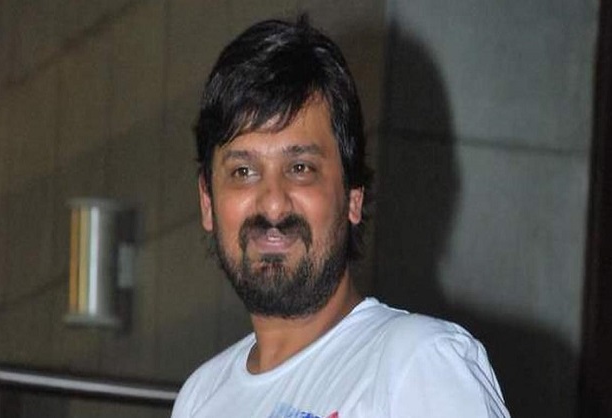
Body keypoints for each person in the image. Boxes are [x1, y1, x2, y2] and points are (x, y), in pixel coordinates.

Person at [172, 16, 510, 418]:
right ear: (207, 201)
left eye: (300, 168)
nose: (273, 205)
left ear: (353, 195)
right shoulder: (202, 397)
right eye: (243, 172)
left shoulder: (416, 363)